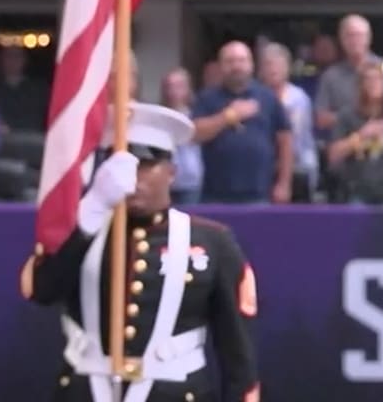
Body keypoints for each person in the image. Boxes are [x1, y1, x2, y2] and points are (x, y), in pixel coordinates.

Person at [20, 102, 260, 402]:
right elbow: (42, 291)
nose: (132, 177)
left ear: (171, 172)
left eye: (145, 164)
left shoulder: (213, 241)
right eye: (121, 164)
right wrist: (91, 209)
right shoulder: (81, 232)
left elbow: (236, 350)